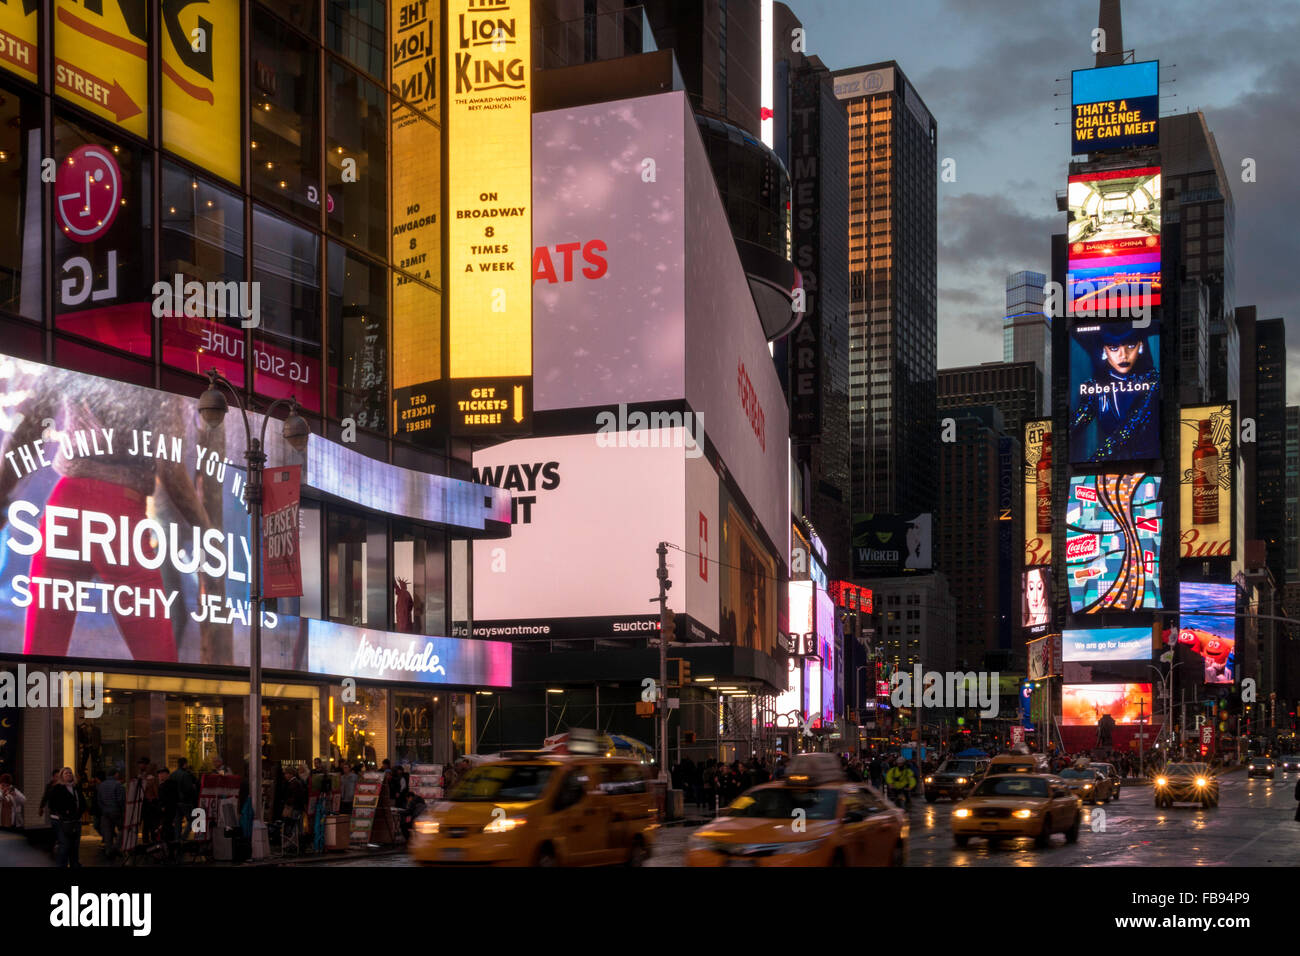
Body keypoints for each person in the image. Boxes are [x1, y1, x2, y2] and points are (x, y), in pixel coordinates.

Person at [1069, 323, 1160, 463]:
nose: (1123, 355)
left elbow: (1128, 430)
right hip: (1107, 471)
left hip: (1147, 467)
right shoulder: (1094, 386)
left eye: (1130, 346)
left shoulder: (1151, 380)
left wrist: (1093, 462)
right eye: (1114, 348)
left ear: (1141, 346)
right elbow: (1077, 422)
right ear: (1104, 351)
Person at [48, 767, 86, 868]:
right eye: (66, 773)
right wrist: (65, 812)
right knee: (65, 845)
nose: (69, 775)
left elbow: (82, 802)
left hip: (76, 820)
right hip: (62, 821)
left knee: (75, 846)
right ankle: (62, 865)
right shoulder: (57, 788)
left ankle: (74, 864)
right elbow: (52, 804)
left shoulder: (76, 787)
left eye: (70, 773)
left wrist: (80, 812)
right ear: (62, 776)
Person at [96, 770, 125, 857]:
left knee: (108, 832)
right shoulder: (118, 784)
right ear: (115, 774)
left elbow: (99, 800)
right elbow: (121, 800)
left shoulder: (101, 785)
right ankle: (116, 847)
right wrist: (123, 810)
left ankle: (108, 851)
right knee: (123, 829)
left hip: (105, 812)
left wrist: (104, 808)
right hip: (116, 811)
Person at [172, 758, 198, 841]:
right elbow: (189, 789)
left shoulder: (173, 774)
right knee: (191, 819)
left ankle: (177, 838)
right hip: (186, 801)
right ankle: (183, 837)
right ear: (185, 764)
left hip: (176, 801)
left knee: (178, 820)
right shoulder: (186, 774)